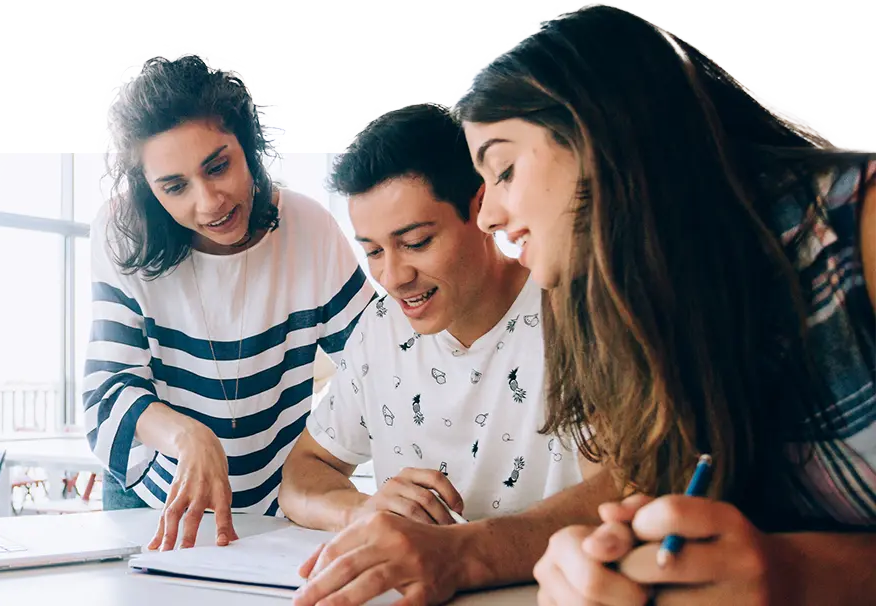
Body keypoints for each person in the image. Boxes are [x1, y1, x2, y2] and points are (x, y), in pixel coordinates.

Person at [452, 3, 876, 605]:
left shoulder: (859, 227)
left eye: (504, 169)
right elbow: (656, 505)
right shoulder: (625, 311)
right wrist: (614, 564)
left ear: (603, 129)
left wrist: (803, 575)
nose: (489, 216)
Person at [285, 103, 612, 606]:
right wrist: (362, 511)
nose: (393, 278)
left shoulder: (573, 311)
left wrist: (458, 550)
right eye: (373, 251)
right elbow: (303, 472)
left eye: (415, 242)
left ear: (482, 208)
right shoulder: (379, 329)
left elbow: (622, 489)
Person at [84, 53, 375, 551]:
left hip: (275, 499)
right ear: (150, 191)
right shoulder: (123, 234)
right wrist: (185, 435)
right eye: (174, 187)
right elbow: (108, 393)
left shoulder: (309, 230)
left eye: (218, 166)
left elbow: (381, 365)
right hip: (154, 502)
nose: (209, 202)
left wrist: (326, 461)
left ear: (250, 145)